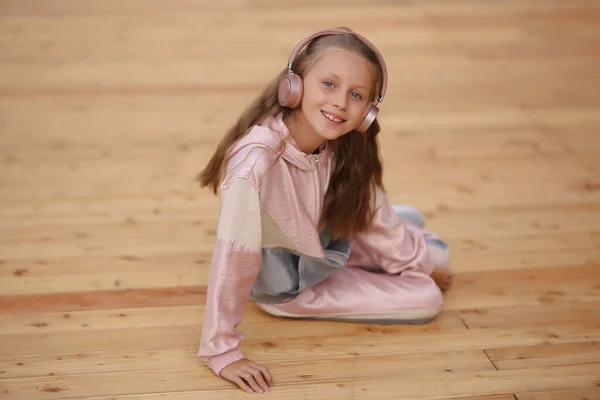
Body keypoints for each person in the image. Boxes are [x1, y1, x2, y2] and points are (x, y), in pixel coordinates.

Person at [195, 27, 454, 394]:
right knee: (427, 296)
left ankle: (409, 255)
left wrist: (423, 263)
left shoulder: (342, 144)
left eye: (356, 95)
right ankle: (406, 259)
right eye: (328, 84)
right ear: (294, 85)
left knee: (419, 238)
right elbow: (233, 260)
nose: (340, 104)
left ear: (368, 110)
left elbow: (372, 211)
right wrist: (222, 351)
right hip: (290, 283)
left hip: (322, 243)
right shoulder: (255, 165)